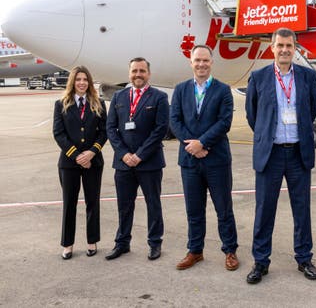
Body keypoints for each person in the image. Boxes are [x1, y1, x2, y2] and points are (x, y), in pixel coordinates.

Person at [245, 27, 316, 284]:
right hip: (271, 154)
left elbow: (310, 111)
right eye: (280, 46)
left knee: (302, 210)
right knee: (265, 209)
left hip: (299, 153)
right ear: (272, 48)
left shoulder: (308, 77)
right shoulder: (259, 77)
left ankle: (304, 258)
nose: (285, 50)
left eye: (289, 46)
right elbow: (254, 116)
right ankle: (260, 261)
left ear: (295, 48)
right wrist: (267, 135)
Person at [170, 45, 240, 271]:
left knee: (224, 209)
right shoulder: (180, 90)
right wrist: (193, 146)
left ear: (211, 63)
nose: (201, 64)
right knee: (194, 209)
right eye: (197, 60)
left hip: (216, 159)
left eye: (205, 60)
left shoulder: (223, 90)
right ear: (191, 63)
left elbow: (224, 122)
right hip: (190, 160)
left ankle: (230, 250)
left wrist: (203, 143)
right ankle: (195, 251)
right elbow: (175, 121)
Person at [105, 57, 169, 261]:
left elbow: (160, 130)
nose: (138, 75)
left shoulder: (159, 97)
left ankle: (154, 243)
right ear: (129, 73)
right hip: (123, 163)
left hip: (149, 162)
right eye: (134, 71)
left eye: (142, 71)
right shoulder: (119, 97)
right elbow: (111, 128)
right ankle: (122, 243)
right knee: (124, 205)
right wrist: (124, 154)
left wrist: (140, 155)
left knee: (153, 204)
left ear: (148, 74)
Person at [53, 66, 107, 260]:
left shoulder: (98, 103)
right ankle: (68, 244)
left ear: (89, 83)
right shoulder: (61, 104)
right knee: (70, 203)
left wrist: (91, 153)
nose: (82, 82)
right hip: (69, 163)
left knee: (93, 202)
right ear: (72, 82)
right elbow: (58, 133)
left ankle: (92, 241)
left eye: (85, 79)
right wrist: (77, 156)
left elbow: (104, 132)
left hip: (93, 162)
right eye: (78, 79)